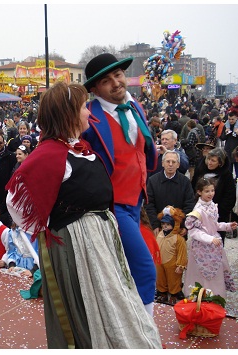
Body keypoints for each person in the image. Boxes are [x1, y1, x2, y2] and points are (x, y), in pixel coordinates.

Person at [6, 81, 162, 349]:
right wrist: (58, 224)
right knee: (89, 309)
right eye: (82, 107)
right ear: (68, 114)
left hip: (99, 241)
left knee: (113, 300)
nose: (89, 112)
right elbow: (16, 203)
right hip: (77, 246)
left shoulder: (79, 149)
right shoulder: (49, 155)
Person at [82, 53, 159, 313]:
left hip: (136, 199)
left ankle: (126, 319)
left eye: (118, 75)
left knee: (124, 266)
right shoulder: (88, 118)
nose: (116, 83)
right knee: (144, 267)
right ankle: (146, 332)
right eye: (106, 80)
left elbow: (143, 150)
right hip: (112, 205)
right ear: (94, 89)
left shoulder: (134, 105)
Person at [183, 178, 237, 299]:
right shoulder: (197, 211)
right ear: (199, 192)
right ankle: (199, 297)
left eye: (212, 190)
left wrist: (227, 226)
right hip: (201, 248)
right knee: (200, 273)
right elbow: (194, 231)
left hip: (213, 245)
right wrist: (209, 239)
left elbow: (214, 225)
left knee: (215, 272)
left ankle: (215, 297)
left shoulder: (213, 205)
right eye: (207, 191)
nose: (211, 193)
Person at [191, 148, 236, 245]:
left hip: (217, 215)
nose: (209, 163)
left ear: (220, 163)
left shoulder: (226, 176)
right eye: (208, 159)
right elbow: (193, 187)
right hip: (200, 213)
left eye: (213, 161)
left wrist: (217, 211)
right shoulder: (200, 170)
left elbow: (230, 197)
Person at [145, 150, 196, 237]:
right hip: (159, 228)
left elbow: (189, 204)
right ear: (162, 163)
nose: (170, 164)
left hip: (179, 228)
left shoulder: (185, 182)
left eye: (174, 162)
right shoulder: (152, 181)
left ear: (178, 165)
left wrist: (184, 225)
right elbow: (149, 204)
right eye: (168, 161)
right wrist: (155, 225)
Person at [154, 207, 188, 305]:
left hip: (172, 263)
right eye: (163, 224)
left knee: (174, 279)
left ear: (174, 225)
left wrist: (181, 265)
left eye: (168, 224)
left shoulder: (178, 239)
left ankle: (174, 293)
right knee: (160, 278)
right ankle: (162, 292)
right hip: (159, 262)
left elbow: (182, 253)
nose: (165, 226)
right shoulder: (159, 234)